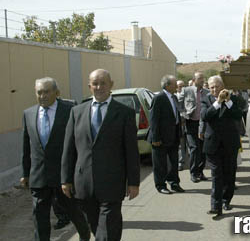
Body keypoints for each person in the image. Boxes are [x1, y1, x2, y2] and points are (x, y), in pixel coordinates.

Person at [62, 69, 140, 241]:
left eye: (103, 83)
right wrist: (65, 179)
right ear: (89, 86)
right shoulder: (77, 112)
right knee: (97, 227)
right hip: (84, 183)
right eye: (95, 84)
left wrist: (133, 182)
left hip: (112, 182)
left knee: (107, 228)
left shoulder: (124, 113)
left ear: (111, 84)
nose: (99, 87)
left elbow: (131, 151)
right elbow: (69, 149)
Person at [21, 77, 89, 241]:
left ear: (57, 93)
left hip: (64, 176)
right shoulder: (28, 114)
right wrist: (25, 173)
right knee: (40, 217)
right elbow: (26, 146)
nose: (42, 96)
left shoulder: (70, 110)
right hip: (39, 176)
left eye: (46, 92)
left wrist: (79, 172)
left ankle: (85, 234)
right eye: (39, 92)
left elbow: (78, 143)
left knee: (74, 212)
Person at [201, 75, 243, 219]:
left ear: (223, 86)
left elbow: (238, 115)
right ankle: (215, 207)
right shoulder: (206, 99)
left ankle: (226, 200)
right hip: (212, 144)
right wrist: (218, 102)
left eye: (217, 86)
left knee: (229, 175)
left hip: (230, 144)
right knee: (216, 175)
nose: (214, 89)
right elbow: (205, 116)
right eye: (211, 87)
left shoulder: (233, 99)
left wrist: (228, 101)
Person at [148, 75, 185, 194]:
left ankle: (174, 183)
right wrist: (155, 138)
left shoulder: (173, 97)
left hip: (173, 135)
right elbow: (154, 119)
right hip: (160, 137)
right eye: (174, 84)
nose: (177, 86)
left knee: (174, 162)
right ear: (168, 85)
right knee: (160, 164)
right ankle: (160, 185)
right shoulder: (159, 98)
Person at [177, 72, 209, 183]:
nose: (202, 80)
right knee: (194, 148)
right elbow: (179, 104)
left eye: (203, 78)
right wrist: (183, 114)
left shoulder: (207, 92)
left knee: (203, 149)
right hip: (191, 123)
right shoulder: (187, 90)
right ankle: (193, 173)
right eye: (200, 78)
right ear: (194, 80)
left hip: (203, 124)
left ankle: (200, 171)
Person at [176, 80, 187, 171]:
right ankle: (180, 162)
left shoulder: (188, 95)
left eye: (183, 86)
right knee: (181, 144)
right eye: (179, 86)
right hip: (179, 123)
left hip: (187, 122)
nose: (181, 88)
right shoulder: (174, 97)